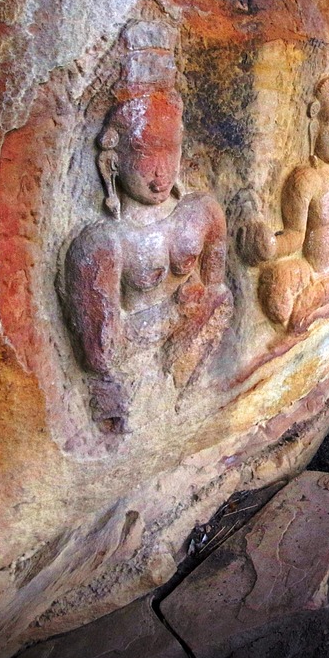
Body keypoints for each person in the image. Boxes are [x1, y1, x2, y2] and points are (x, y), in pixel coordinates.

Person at [63, 89, 230, 433]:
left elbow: (215, 288)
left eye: (169, 150)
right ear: (112, 161)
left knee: (221, 301)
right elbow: (101, 354)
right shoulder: (103, 244)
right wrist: (173, 313)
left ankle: (183, 405)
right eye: (142, 152)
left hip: (188, 353)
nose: (160, 170)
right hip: (132, 369)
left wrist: (199, 301)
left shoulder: (201, 213)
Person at [240, 46, 329, 334]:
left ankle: (313, 316)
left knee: (298, 320)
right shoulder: (305, 179)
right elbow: (296, 236)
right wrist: (272, 247)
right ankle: (311, 313)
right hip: (308, 270)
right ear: (316, 122)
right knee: (276, 297)